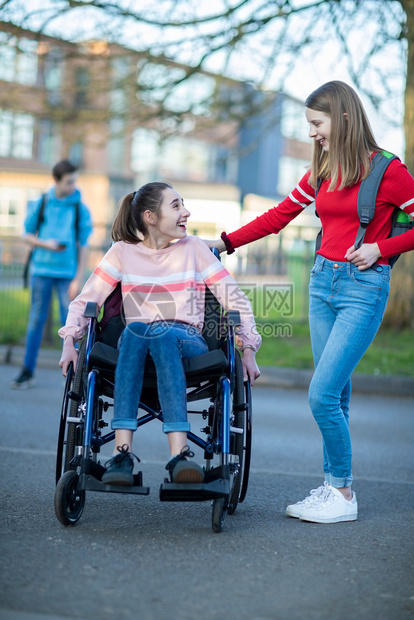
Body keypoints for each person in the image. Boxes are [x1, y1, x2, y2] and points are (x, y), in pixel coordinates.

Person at [205, 80, 414, 523]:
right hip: (321, 286)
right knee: (335, 395)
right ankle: (332, 485)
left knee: (320, 394)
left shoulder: (388, 170)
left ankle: (342, 492)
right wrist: (223, 243)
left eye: (316, 123)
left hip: (363, 288)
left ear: (342, 117)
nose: (312, 133)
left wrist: (382, 248)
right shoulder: (322, 169)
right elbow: (279, 215)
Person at [58, 182, 261, 485]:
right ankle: (121, 454)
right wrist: (69, 341)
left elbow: (236, 300)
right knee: (140, 328)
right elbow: (87, 299)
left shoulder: (195, 249)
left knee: (160, 333)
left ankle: (179, 456)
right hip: (135, 343)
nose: (186, 212)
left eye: (184, 205)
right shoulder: (122, 253)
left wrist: (247, 348)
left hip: (186, 341)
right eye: (176, 206)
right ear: (151, 217)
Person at [11, 159, 93, 389]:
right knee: (36, 319)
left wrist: (78, 277)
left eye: (74, 181)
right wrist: (47, 244)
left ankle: (75, 376)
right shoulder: (43, 202)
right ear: (56, 180)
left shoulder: (79, 207)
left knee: (69, 321)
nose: (73, 186)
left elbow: (84, 244)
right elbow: (27, 235)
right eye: (69, 182)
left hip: (67, 274)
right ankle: (27, 372)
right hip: (41, 271)